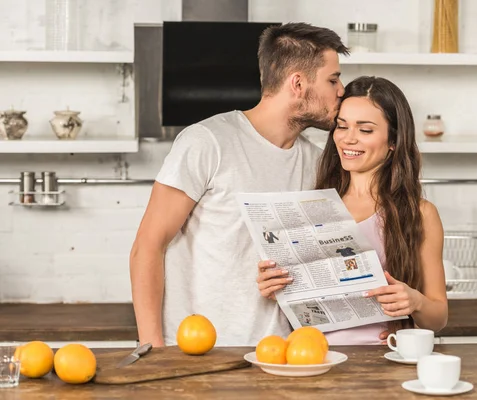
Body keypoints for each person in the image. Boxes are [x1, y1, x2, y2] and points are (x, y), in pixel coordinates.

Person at [130, 22, 348, 347]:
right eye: (333, 79)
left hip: (280, 355)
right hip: (199, 355)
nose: (341, 89)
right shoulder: (207, 142)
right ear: (298, 83)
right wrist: (151, 349)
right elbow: (148, 246)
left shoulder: (318, 163)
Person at [257, 76, 448, 345]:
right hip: (311, 357)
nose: (348, 139)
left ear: (393, 140)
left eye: (365, 130)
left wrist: (415, 301)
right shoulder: (308, 205)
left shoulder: (421, 213)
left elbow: (438, 318)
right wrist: (275, 286)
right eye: (342, 126)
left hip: (381, 363)